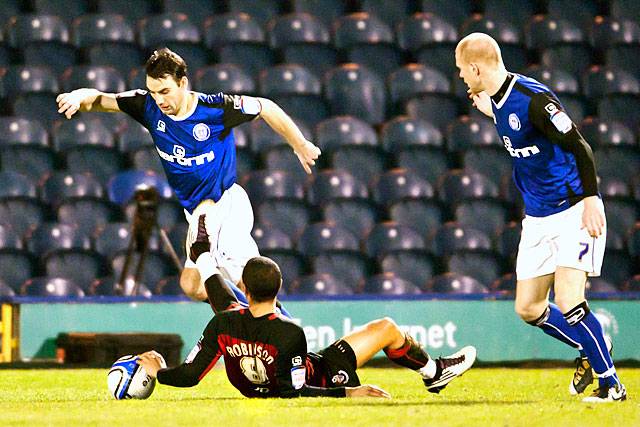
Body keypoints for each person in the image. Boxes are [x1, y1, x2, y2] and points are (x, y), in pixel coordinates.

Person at [55, 48, 321, 302]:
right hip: (195, 212)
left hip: (224, 206)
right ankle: (244, 320)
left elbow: (266, 107)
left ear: (183, 83)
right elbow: (100, 99)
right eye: (153, 91)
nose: (159, 99)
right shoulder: (148, 107)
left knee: (249, 286)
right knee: (192, 286)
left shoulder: (215, 109)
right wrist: (79, 96)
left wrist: (299, 144)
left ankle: (269, 332)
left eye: (165, 91)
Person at [455, 33, 626, 403]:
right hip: (537, 218)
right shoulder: (496, 101)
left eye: (461, 71)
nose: (461, 78)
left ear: (475, 67)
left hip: (573, 210)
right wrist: (486, 107)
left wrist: (592, 198)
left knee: (570, 301)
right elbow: (501, 112)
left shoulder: (534, 100)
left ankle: (611, 385)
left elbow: (579, 144)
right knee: (528, 308)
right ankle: (593, 345)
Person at [137, 256, 477, 398]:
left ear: (247, 290)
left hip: (257, 386)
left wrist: (159, 371)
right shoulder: (289, 332)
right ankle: (434, 371)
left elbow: (191, 375)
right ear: (278, 287)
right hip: (326, 376)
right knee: (387, 327)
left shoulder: (223, 322)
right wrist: (349, 393)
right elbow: (293, 390)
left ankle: (434, 373)